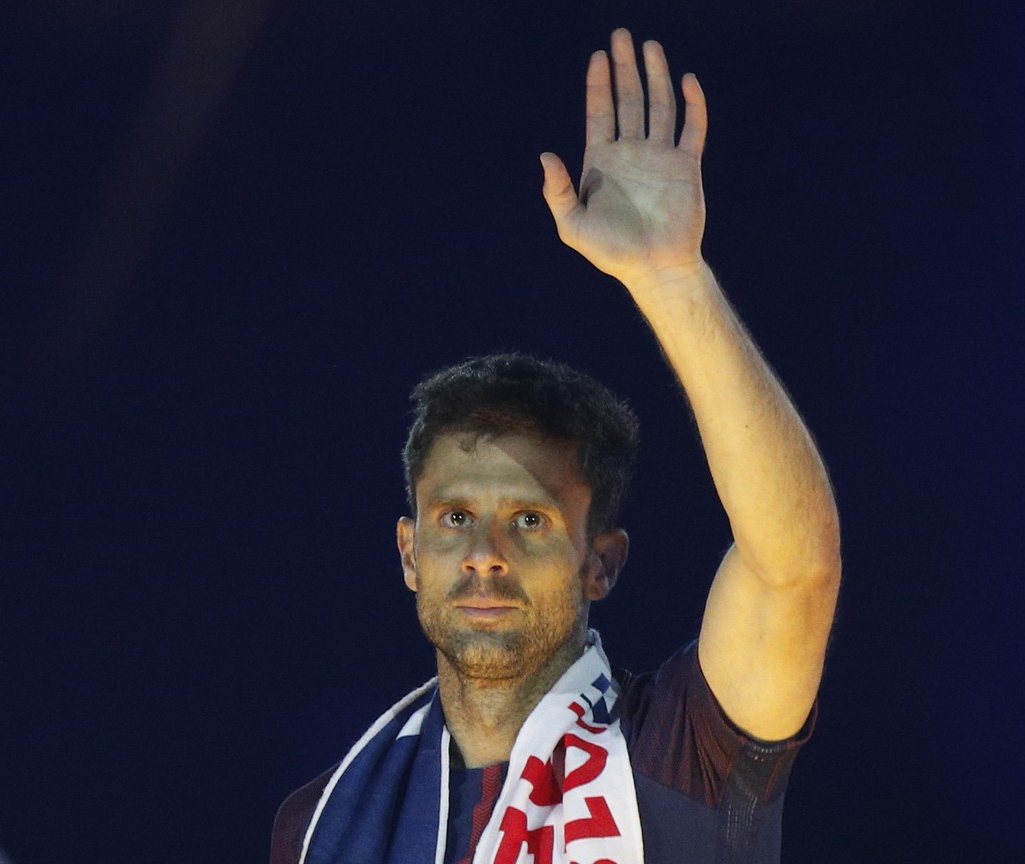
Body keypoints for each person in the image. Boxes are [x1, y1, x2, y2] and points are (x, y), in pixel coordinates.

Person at [270, 29, 840, 864]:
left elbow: (795, 567)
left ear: (600, 562)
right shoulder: (319, 822)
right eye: (455, 516)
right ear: (408, 551)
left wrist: (670, 280)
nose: (485, 554)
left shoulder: (682, 754)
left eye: (530, 521)